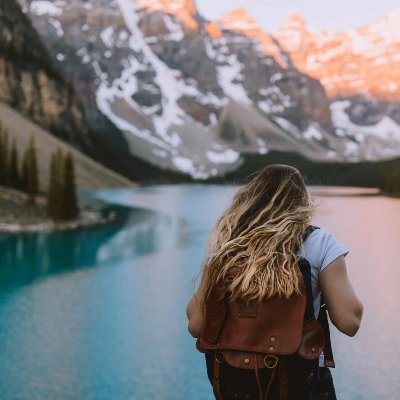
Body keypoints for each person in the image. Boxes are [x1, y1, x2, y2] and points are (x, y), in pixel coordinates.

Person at [187, 164, 363, 400]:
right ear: (302, 203)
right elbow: (350, 322)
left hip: (236, 387)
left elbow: (195, 325)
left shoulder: (227, 247)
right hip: (301, 386)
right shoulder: (319, 242)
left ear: (251, 199)